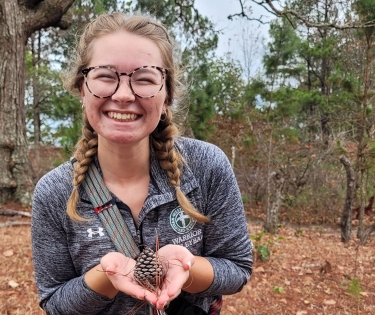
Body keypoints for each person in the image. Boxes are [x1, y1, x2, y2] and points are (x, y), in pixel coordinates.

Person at [31, 12, 253, 315]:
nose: (123, 95)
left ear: (166, 96)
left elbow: (237, 268)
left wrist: (188, 268)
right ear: (82, 89)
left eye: (145, 79)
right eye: (105, 76)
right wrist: (107, 275)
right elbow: (55, 302)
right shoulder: (54, 192)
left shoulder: (206, 166)